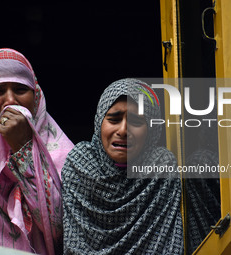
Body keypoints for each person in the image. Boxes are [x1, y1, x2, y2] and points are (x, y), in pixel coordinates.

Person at [62, 78, 184, 254]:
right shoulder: (79, 165)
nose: (123, 130)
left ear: (150, 130)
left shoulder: (161, 168)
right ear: (99, 123)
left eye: (136, 122)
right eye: (113, 119)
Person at [0, 48, 74, 255]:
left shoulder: (67, 154)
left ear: (36, 96)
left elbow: (64, 228)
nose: (10, 100)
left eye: (21, 90)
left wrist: (23, 147)